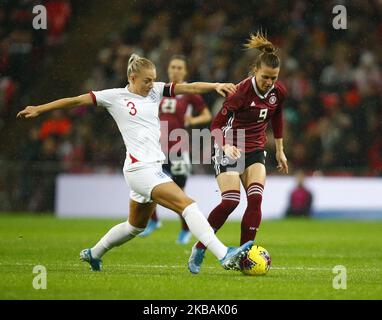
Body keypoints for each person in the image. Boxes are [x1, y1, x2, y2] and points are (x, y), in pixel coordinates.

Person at [17, 53, 253, 272]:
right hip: (141, 169)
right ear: (132, 77)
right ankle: (224, 254)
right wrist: (39, 108)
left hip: (150, 168)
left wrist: (215, 86)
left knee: (135, 226)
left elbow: (188, 87)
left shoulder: (155, 92)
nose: (152, 84)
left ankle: (94, 253)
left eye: (154, 80)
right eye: (147, 80)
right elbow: (76, 101)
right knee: (188, 205)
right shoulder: (114, 96)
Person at [188, 31, 289, 274]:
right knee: (231, 200)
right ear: (255, 71)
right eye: (265, 77)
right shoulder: (240, 93)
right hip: (231, 145)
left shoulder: (278, 92)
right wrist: (224, 146)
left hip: (255, 148)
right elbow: (215, 126)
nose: (269, 82)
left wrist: (280, 150)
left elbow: (277, 116)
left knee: (255, 198)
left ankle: (244, 254)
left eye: (274, 78)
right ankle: (200, 247)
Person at [139, 55, 212, 244]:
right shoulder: (158, 90)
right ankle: (153, 221)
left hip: (179, 148)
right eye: (173, 67)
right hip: (157, 148)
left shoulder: (190, 92)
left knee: (179, 192)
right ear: (168, 69)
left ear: (185, 71)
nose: (176, 70)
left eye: (180, 67)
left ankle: (185, 229)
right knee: (150, 187)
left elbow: (207, 115)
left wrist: (192, 120)